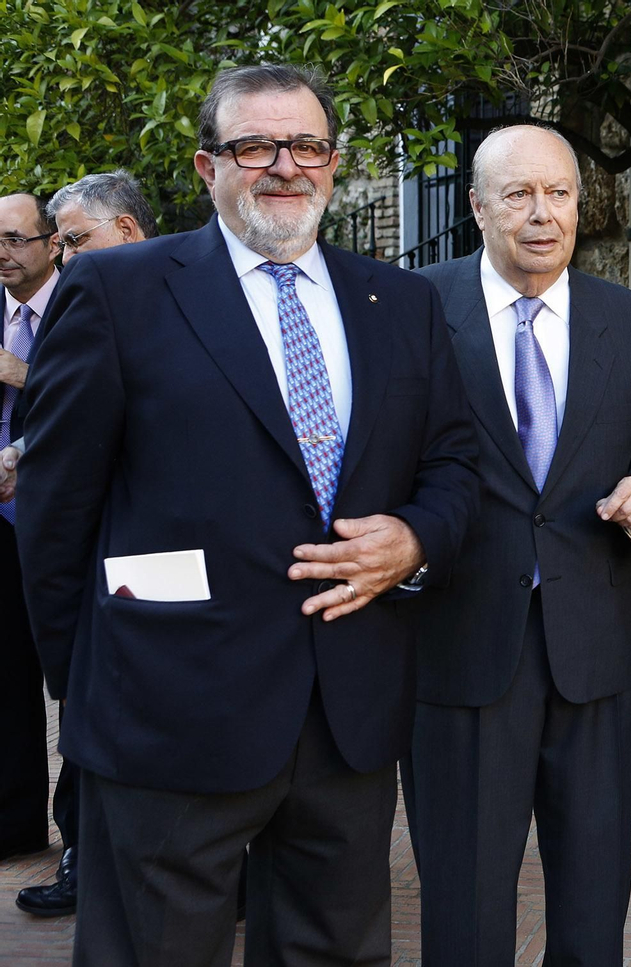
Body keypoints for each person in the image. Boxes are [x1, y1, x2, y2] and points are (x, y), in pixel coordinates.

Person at [16, 63, 479, 966]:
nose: (284, 165)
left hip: (345, 715)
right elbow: (55, 510)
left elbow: (454, 466)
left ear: (334, 163)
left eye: (306, 145)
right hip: (165, 715)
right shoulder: (120, 293)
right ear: (206, 166)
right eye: (254, 146)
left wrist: (417, 536)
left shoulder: (402, 304)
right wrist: (93, 683)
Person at [402, 122, 631, 966]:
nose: (542, 214)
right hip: (459, 642)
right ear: (478, 206)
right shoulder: (415, 307)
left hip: (592, 651)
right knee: (463, 904)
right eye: (519, 194)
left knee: (593, 902)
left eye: (559, 193)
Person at [10, 170, 161, 920]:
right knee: (90, 723)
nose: (62, 259)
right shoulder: (96, 297)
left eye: (74, 241)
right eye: (59, 243)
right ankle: (85, 859)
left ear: (127, 231)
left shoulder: (187, 298)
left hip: (185, 562)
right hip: (110, 557)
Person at [0, 192, 57, 868]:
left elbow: (92, 389)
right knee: (6, 674)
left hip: (56, 516)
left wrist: (17, 370)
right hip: (0, 522)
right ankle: (14, 823)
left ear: (51, 244)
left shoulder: (82, 303)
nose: (4, 253)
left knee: (71, 681)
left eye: (15, 238)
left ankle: (84, 837)